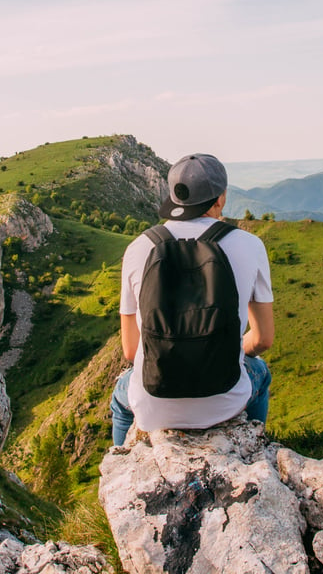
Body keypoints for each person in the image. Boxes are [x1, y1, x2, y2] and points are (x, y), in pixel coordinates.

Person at [110, 153, 275, 446]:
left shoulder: (138, 249)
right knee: (260, 371)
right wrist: (228, 347)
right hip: (225, 402)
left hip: (154, 405)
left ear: (174, 196)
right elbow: (263, 340)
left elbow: (130, 351)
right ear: (220, 198)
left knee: (120, 398)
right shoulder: (251, 245)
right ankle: (253, 444)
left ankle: (123, 455)